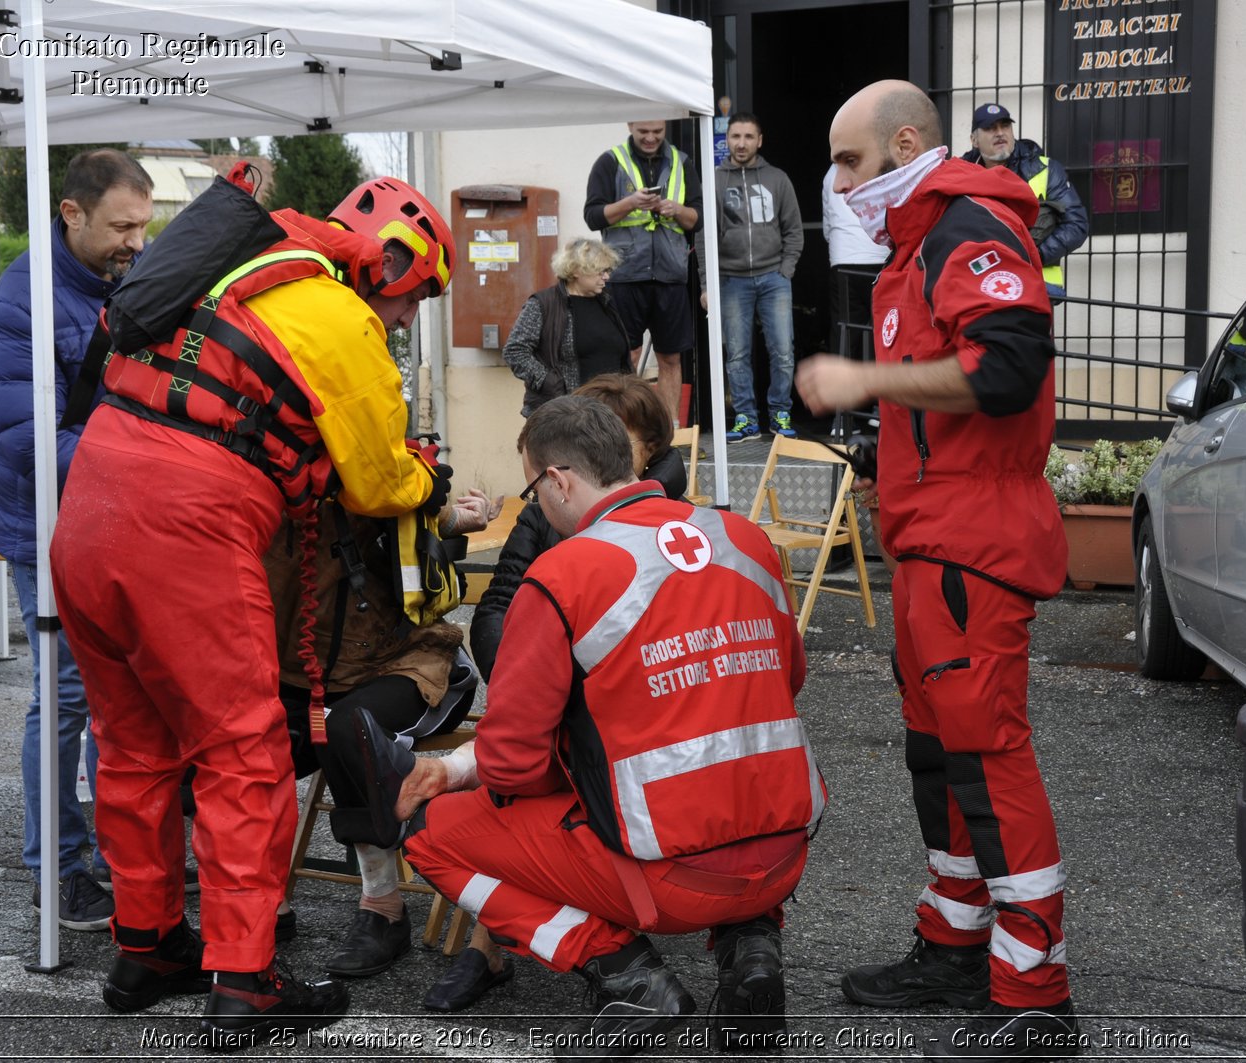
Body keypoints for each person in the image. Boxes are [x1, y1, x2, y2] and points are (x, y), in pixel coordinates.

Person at [50, 174, 454, 1048]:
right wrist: (430, 479)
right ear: (393, 262)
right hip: (185, 530)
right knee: (247, 757)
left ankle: (147, 947)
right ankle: (246, 981)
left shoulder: (235, 265)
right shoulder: (339, 317)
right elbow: (382, 483)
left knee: (135, 747)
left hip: (88, 512)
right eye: (417, 297)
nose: (409, 319)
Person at [349, 394, 826, 1059]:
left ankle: (626, 974)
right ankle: (753, 946)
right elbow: (786, 678)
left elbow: (515, 765)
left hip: (670, 875)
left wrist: (461, 770)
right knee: (724, 787)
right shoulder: (743, 539)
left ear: (558, 479)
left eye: (531, 489)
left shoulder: (564, 574)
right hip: (781, 854)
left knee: (431, 835)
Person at [796, 81, 1077, 1057]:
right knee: (939, 757)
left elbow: (1008, 369)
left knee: (987, 757)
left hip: (973, 547)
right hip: (930, 543)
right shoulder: (917, 250)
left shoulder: (969, 230)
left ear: (905, 142)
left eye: (848, 160)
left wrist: (864, 381)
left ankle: (1034, 998)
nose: (836, 182)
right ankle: (953, 942)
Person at [0, 148, 154, 933]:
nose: (135, 243)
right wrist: (153, 464)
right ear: (72, 214)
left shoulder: (124, 282)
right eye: (122, 227)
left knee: (125, 694)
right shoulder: (20, 302)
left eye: (144, 227)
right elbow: (33, 443)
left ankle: (126, 857)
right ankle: (58, 869)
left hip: (118, 520)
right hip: (45, 527)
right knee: (66, 697)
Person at [267, 487, 496, 981]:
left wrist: (453, 516)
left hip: (410, 664)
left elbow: (401, 493)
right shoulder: (261, 491)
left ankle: (383, 906)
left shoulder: (378, 476)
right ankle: (262, 901)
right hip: (302, 673)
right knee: (242, 742)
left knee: (346, 728)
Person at [468, 373, 686, 683]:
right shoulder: (541, 515)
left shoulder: (679, 524)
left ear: (652, 448)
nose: (600, 447)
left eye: (617, 438)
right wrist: (517, 681)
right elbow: (498, 606)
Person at [696, 112, 804, 441]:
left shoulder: (778, 179)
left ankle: (780, 414)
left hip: (774, 277)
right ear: (726, 140)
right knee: (737, 353)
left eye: (748, 137)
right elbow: (703, 237)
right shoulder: (714, 180)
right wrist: (706, 283)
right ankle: (746, 418)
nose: (741, 143)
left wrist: (785, 270)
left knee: (783, 351)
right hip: (731, 280)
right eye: (735, 137)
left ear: (760, 140)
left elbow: (794, 231)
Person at [585, 120, 703, 420]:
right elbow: (593, 216)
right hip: (625, 275)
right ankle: (623, 429)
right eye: (643, 132)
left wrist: (675, 209)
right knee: (627, 357)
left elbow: (698, 219)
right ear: (631, 125)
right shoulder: (610, 161)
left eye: (657, 132)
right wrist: (630, 203)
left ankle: (669, 432)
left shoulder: (681, 162)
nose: (650, 138)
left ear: (665, 126)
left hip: (670, 275)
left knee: (671, 357)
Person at [960, 103, 1088, 304]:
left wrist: (1034, 256)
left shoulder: (1045, 169)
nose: (1000, 133)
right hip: (979, 289)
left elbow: (1077, 225)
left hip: (1037, 289)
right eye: (990, 128)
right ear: (974, 140)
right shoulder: (960, 177)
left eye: (1005, 126)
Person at [502, 239, 631, 416]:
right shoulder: (544, 304)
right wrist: (548, 381)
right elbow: (515, 351)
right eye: (600, 271)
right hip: (564, 413)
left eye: (607, 271)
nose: (606, 277)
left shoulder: (607, 302)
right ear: (577, 270)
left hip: (609, 412)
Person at [822, 161, 890, 362]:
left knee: (845, 330)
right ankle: (883, 388)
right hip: (880, 257)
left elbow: (828, 225)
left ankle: (843, 389)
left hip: (843, 259)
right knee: (884, 329)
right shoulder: (877, 163)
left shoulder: (831, 174)